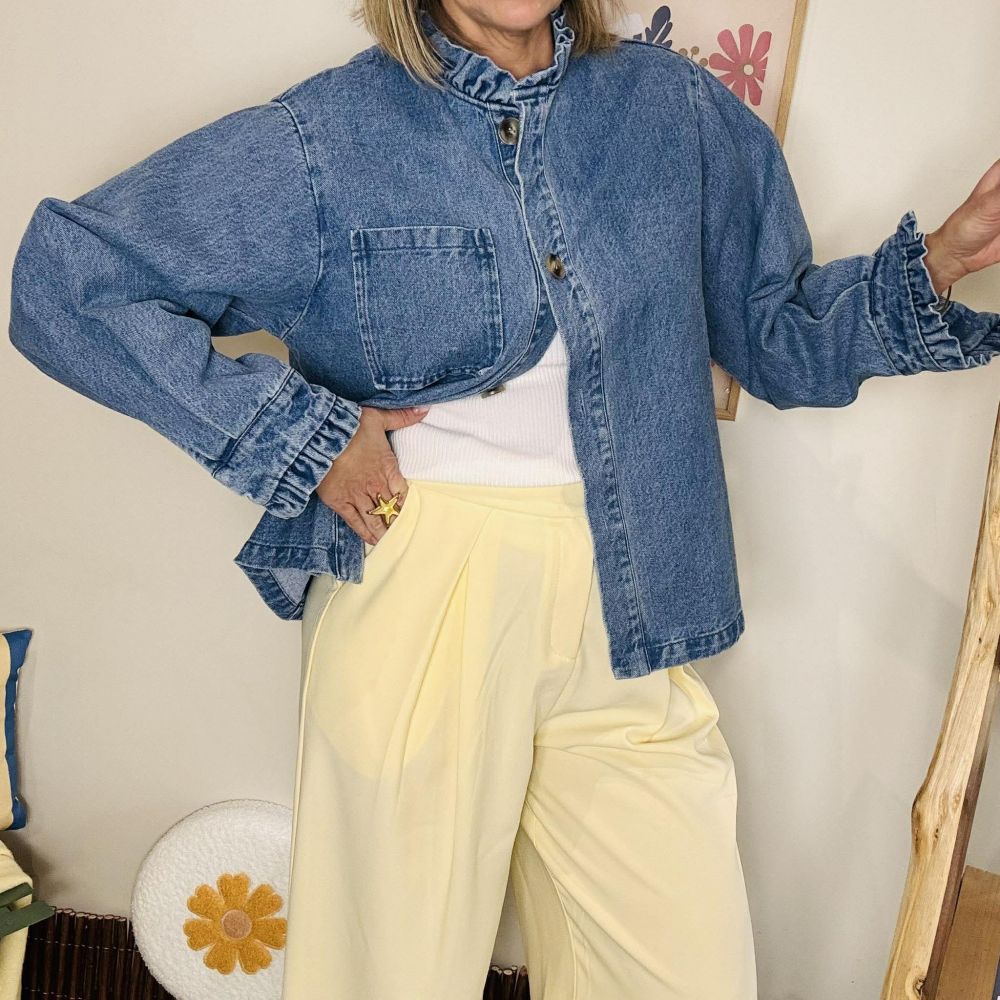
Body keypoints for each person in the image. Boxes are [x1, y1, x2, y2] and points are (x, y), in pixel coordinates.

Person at [8, 1, 1000, 996]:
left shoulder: (674, 110)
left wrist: (940, 260)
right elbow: (67, 279)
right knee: (392, 974)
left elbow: (776, 339)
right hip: (420, 579)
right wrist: (306, 436)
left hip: (633, 584)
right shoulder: (326, 137)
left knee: (682, 971)